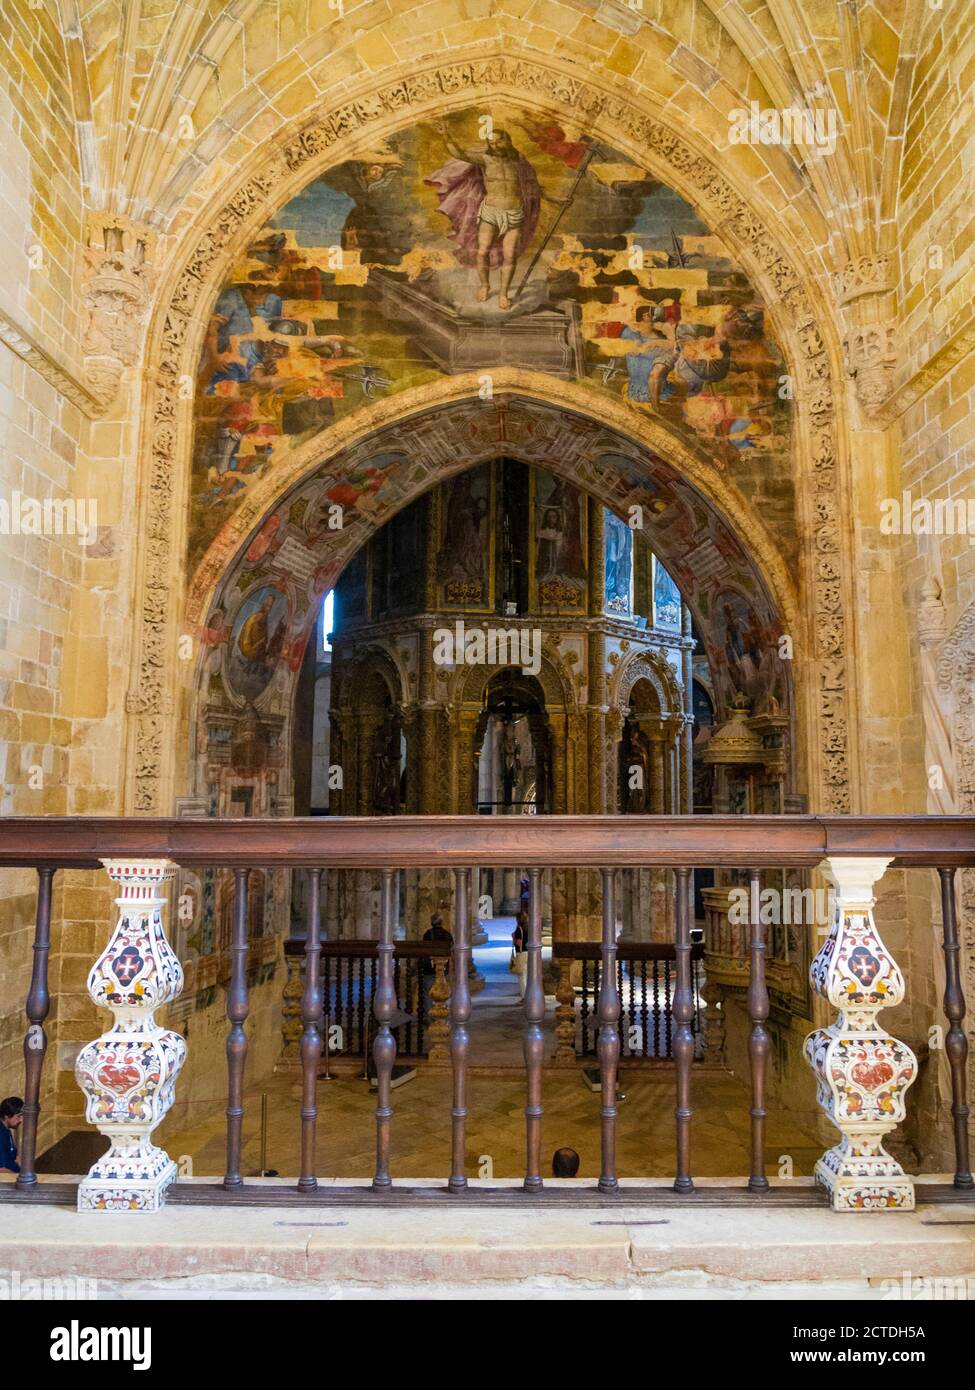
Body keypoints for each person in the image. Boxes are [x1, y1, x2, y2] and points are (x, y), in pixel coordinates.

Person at [0, 1097, 23, 1174]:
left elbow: (15, 1157)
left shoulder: (6, 1129)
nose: (21, 1120)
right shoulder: (1, 1136)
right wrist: (20, 1180)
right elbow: (1, 1170)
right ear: (6, 1116)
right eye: (18, 1116)